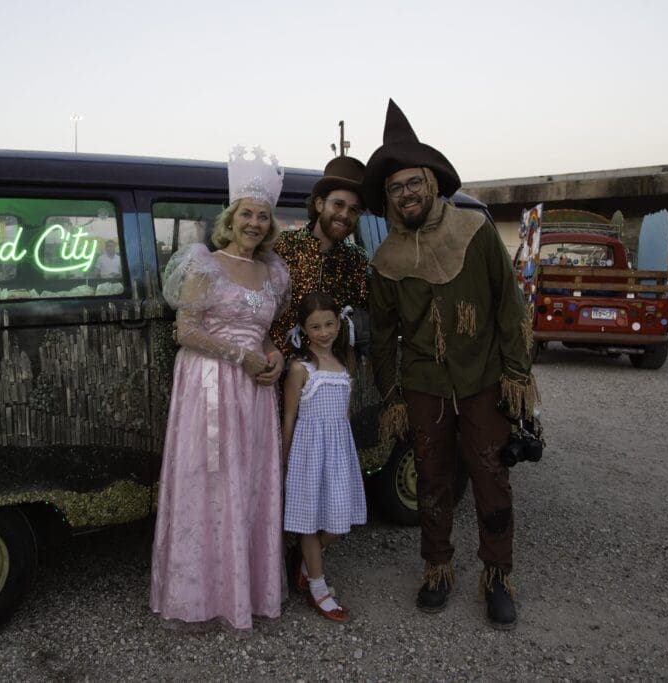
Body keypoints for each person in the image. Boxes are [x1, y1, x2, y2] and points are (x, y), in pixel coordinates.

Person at [364, 100, 538, 630]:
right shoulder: (386, 259)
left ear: (432, 183)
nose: (407, 194)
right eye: (396, 188)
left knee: (490, 477)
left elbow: (508, 306)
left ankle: (498, 576)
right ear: (389, 198)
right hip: (423, 386)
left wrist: (515, 375)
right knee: (432, 479)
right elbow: (382, 334)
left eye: (413, 183)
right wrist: (392, 395)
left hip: (484, 380)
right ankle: (437, 569)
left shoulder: (476, 231)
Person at [150, 146, 289, 630]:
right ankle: (199, 597)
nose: (254, 223)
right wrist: (242, 357)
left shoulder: (273, 272)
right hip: (208, 386)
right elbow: (184, 331)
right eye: (247, 214)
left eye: (263, 216)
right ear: (231, 218)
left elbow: (264, 330)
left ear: (270, 225)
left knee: (248, 486)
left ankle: (245, 592)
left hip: (253, 391)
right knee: (207, 484)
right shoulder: (203, 263)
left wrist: (275, 357)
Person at [281, 293, 367, 624]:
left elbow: (343, 415)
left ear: (338, 322)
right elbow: (289, 417)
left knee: (338, 521)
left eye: (329, 323)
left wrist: (345, 453)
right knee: (309, 521)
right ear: (303, 329)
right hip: (308, 452)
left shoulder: (344, 365)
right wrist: (285, 459)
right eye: (315, 327)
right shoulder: (300, 368)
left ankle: (305, 562)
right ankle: (318, 587)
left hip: (337, 451)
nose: (324, 332)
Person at [271, 156, 369, 358]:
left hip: (329, 378)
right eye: (338, 205)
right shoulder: (282, 245)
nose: (344, 215)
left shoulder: (356, 259)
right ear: (319, 204)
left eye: (353, 210)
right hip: (277, 373)